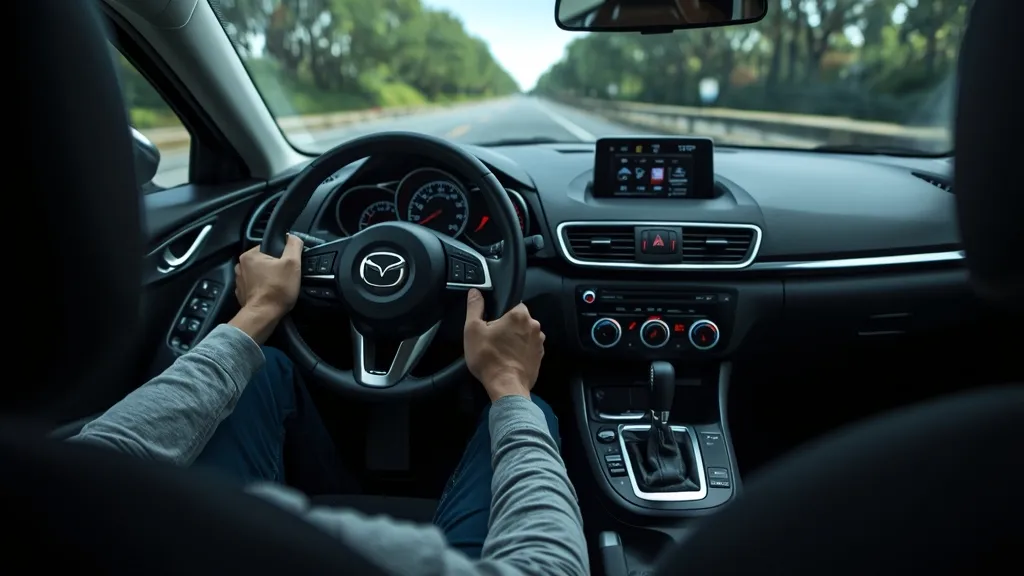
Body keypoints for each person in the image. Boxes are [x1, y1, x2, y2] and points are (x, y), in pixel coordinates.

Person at [70, 234, 589, 576]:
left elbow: (110, 452)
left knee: (263, 370)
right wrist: (507, 381)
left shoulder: (56, 505)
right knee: (533, 413)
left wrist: (261, 308)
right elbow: (549, 565)